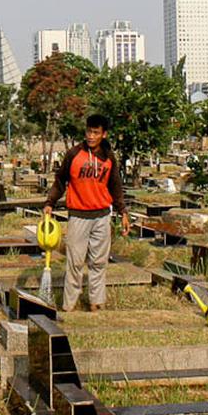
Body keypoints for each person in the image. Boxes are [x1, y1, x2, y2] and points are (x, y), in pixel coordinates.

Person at [43, 114, 130, 311]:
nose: (91, 136)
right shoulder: (74, 154)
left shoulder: (109, 158)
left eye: (96, 133)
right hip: (78, 216)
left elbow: (115, 186)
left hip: (101, 215)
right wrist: (50, 202)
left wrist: (123, 212)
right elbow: (60, 180)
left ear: (104, 134)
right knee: (75, 262)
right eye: (88, 131)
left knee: (98, 262)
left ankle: (96, 302)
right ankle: (69, 304)